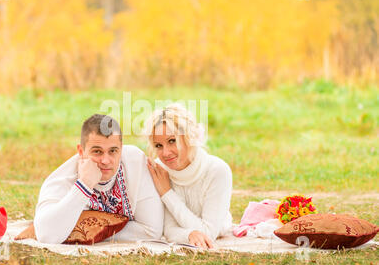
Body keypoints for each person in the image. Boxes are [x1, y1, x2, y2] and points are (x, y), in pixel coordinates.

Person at [34, 114, 164, 244]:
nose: (106, 161)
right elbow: (46, 236)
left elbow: (152, 231)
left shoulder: (135, 163)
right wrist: (84, 185)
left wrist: (84, 232)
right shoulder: (62, 179)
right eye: (97, 152)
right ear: (81, 151)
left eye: (113, 151)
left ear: (121, 149)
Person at [145, 103, 233, 249]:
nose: (165, 153)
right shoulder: (159, 171)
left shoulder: (217, 170)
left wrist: (167, 193)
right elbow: (168, 230)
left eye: (172, 141)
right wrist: (189, 235)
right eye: (158, 146)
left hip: (217, 229)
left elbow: (208, 234)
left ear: (190, 138)